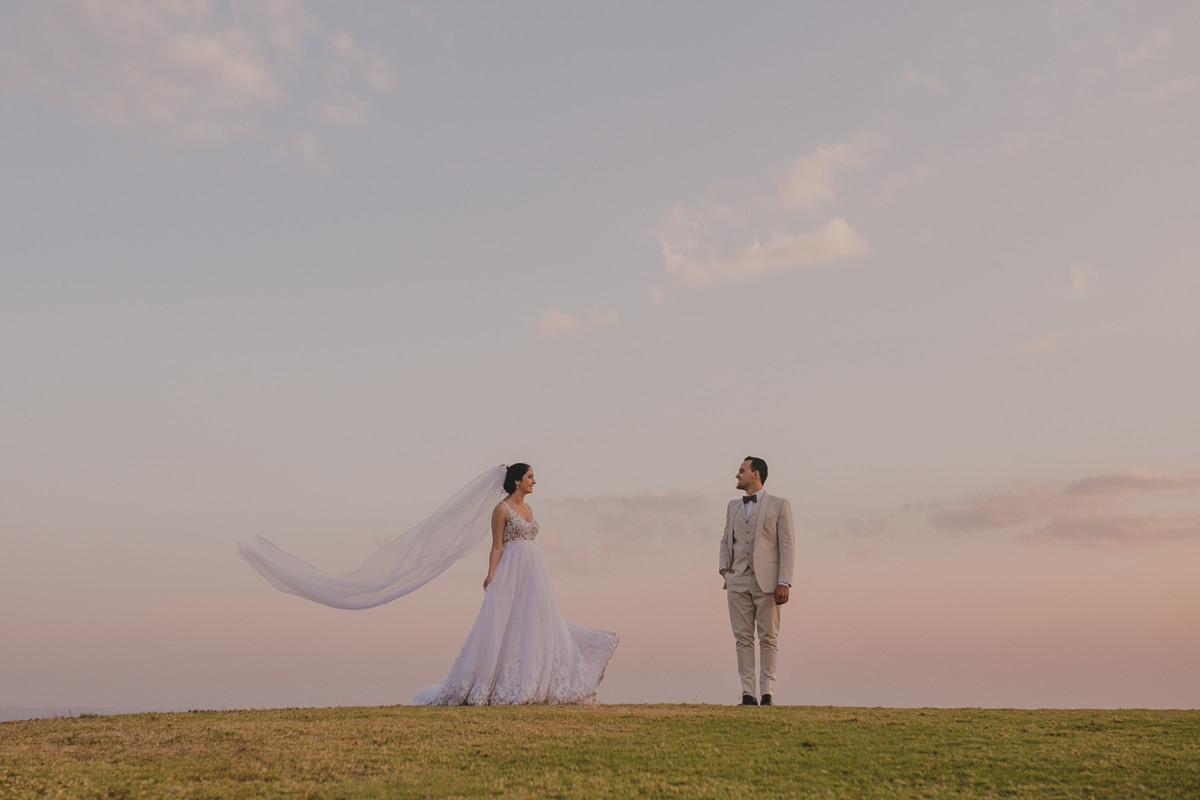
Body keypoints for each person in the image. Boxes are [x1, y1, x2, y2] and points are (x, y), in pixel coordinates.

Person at [414, 463, 619, 705]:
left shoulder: (529, 508)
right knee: (507, 622)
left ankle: (538, 678)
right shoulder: (501, 509)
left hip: (534, 571)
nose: (534, 481)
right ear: (516, 481)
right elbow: (496, 546)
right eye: (529, 477)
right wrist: (491, 575)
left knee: (538, 619)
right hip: (512, 570)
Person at [718, 456, 795, 705]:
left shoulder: (779, 505)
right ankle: (748, 693)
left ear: (756, 474)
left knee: (768, 637)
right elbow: (725, 539)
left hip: (769, 582)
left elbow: (787, 545)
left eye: (741, 471)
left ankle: (767, 692)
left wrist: (784, 581)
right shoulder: (732, 506)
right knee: (742, 638)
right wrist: (724, 569)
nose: (737, 475)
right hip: (738, 580)